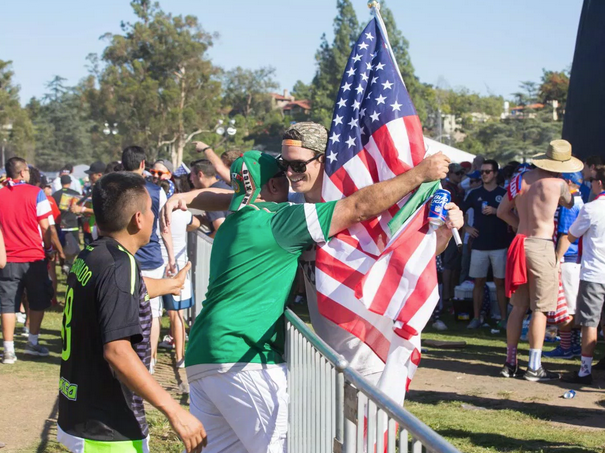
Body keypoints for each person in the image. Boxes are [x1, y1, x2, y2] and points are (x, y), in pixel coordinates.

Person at [179, 149, 460, 453]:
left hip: (202, 355)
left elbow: (231, 197)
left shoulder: (234, 223)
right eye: (285, 174)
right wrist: (420, 173)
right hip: (243, 356)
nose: (291, 179)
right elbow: (358, 207)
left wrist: (182, 199)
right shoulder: (281, 220)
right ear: (273, 186)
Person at [57, 172, 207, 453]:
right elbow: (117, 351)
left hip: (79, 410)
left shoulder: (95, 252)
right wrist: (175, 411)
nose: (153, 216)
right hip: (107, 427)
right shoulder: (119, 265)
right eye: (150, 209)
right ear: (138, 219)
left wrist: (170, 285)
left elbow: (121, 292)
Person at [497, 140, 581, 381]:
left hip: (519, 243)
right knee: (541, 309)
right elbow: (570, 202)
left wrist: (519, 227)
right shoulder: (559, 184)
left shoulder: (517, 180)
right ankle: (534, 366)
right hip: (542, 245)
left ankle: (510, 363)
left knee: (518, 306)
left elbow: (502, 211)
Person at [122, 146, 175, 373]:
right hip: (152, 257)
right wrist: (172, 257)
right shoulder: (156, 191)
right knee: (152, 312)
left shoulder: (113, 186)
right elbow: (165, 227)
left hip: (122, 255)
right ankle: (149, 361)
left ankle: (126, 358)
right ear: (143, 164)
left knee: (123, 308)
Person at [0, 157, 54, 364]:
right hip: (34, 257)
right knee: (38, 300)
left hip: (7, 259)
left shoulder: (1, 194)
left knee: (7, 305)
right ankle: (32, 342)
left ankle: (8, 350)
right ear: (22, 173)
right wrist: (48, 248)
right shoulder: (36, 193)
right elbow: (45, 226)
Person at [555, 165, 605, 384]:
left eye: (592, 181)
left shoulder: (592, 208)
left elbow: (570, 236)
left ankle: (585, 371)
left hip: (594, 272)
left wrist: (556, 258)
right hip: (594, 270)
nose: (590, 184)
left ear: (599, 183)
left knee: (590, 323)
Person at [464, 159, 513, 329]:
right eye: (482, 172)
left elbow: (514, 214)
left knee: (500, 283)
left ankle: (504, 318)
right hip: (479, 245)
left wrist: (497, 211)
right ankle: (477, 318)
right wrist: (466, 227)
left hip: (499, 244)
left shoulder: (504, 193)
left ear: (495, 173)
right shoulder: (474, 193)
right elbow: (458, 210)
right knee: (478, 282)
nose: (483, 175)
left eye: (487, 172)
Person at [157, 179, 200, 368]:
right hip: (177, 266)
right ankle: (180, 357)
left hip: (157, 264)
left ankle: (150, 359)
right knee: (177, 314)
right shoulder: (183, 214)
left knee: (155, 314)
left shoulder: (153, 213)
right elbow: (196, 223)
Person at [544, 172, 584, 359]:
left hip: (568, 259)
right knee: (573, 306)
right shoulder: (581, 201)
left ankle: (566, 347)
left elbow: (566, 235)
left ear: (567, 182)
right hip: (576, 259)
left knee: (567, 308)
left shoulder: (570, 204)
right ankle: (574, 345)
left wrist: (556, 259)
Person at [440, 163, 465, 306]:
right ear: (450, 174)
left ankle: (450, 294)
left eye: (462, 173)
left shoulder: (456, 187)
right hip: (449, 231)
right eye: (457, 173)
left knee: (454, 265)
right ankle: (446, 296)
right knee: (448, 265)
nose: (460, 175)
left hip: (457, 231)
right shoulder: (447, 188)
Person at [189, 159, 231, 237]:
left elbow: (220, 229)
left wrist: (207, 239)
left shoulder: (209, 195)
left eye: (191, 175)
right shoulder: (226, 187)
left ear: (200, 175)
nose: (190, 179)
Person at [53, 175, 82, 267]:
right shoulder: (76, 193)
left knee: (61, 247)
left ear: (61, 182)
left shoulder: (55, 195)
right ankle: (69, 264)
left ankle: (63, 264)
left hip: (60, 224)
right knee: (74, 247)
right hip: (73, 224)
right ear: (70, 182)